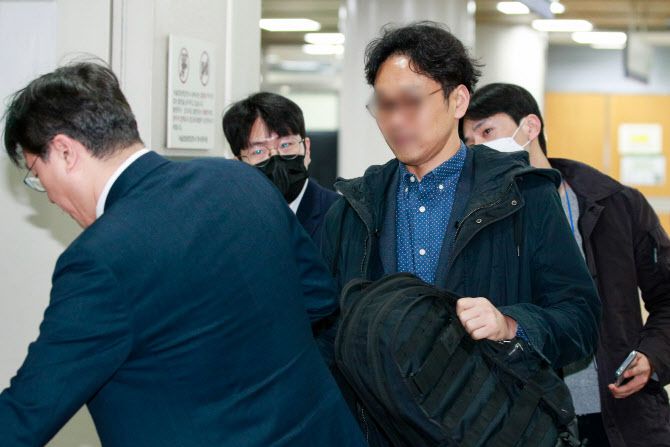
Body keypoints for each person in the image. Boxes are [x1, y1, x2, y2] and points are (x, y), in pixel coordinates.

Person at [0, 62, 364, 447]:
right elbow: (317, 296)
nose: (49, 195)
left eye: (37, 173)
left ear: (64, 151)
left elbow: (27, 415)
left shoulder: (97, 260)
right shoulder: (240, 180)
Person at [320, 22, 601, 444]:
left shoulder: (523, 196)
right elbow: (324, 336)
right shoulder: (352, 210)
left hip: (494, 428)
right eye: (384, 104)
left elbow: (580, 317)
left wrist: (511, 324)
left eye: (411, 101)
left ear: (458, 100)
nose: (395, 119)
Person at [461, 82, 670, 447]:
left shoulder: (616, 205)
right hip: (533, 421)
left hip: (624, 416)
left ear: (530, 127)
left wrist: (652, 357)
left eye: (487, 131)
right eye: (469, 141)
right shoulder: (481, 220)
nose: (477, 147)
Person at [223, 92, 339, 246]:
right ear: (238, 164)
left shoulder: (342, 217)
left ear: (307, 149)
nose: (276, 158)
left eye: (285, 145)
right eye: (258, 151)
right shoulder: (230, 223)